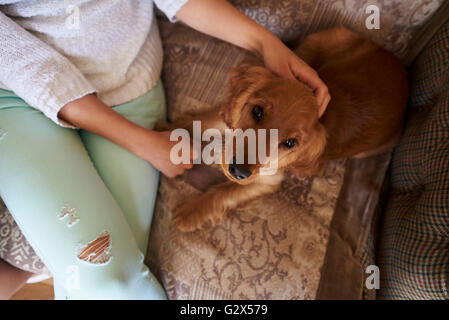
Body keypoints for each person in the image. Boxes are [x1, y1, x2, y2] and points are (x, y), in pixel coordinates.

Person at [0, 0, 330, 299]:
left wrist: (265, 43)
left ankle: (29, 268)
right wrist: (144, 143)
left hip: (129, 86)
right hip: (18, 94)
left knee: (98, 278)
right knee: (106, 280)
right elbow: (20, 62)